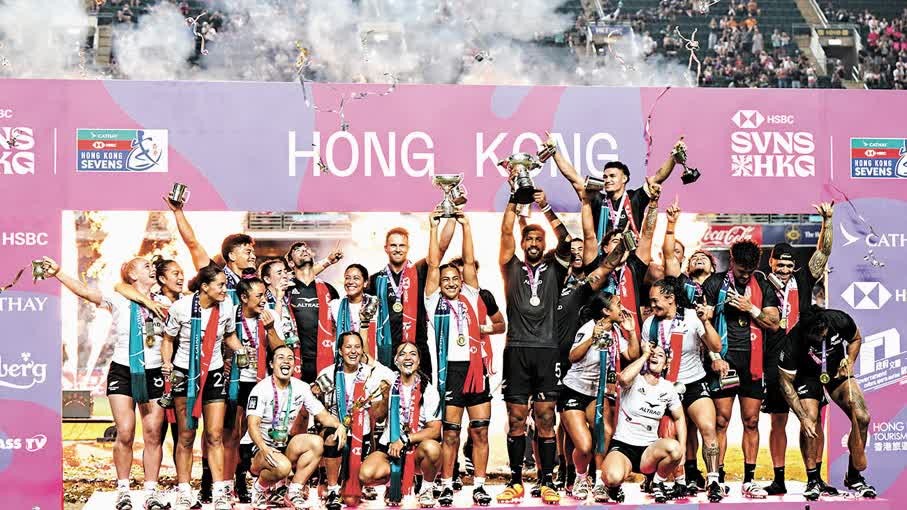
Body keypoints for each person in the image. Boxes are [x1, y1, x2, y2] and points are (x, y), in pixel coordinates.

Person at [42, 256, 169, 510]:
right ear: (132, 275)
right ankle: (123, 490)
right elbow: (86, 292)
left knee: (153, 433)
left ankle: (151, 492)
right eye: (146, 266)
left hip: (154, 371)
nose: (152, 269)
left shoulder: (164, 302)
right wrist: (58, 272)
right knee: (125, 431)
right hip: (123, 370)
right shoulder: (118, 297)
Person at [497, 193, 571, 504]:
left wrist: (546, 208)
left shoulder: (556, 267)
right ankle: (515, 481)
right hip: (516, 349)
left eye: (538, 238)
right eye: (528, 238)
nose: (533, 243)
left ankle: (547, 480)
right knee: (516, 418)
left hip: (547, 351)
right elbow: (505, 231)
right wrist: (514, 201)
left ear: (544, 243)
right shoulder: (511, 266)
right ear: (522, 242)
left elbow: (566, 241)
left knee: (546, 417)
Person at [761, 203, 834, 496]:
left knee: (813, 418)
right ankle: (778, 479)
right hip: (774, 360)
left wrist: (827, 221)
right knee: (778, 421)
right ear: (771, 262)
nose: (785, 270)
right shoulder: (761, 284)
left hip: (806, 359)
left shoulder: (802, 279)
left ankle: (814, 478)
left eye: (789, 266)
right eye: (780, 265)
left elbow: (823, 253)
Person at [161, 264, 248, 510]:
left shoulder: (227, 307)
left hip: (214, 373)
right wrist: (166, 363)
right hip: (186, 374)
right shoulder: (181, 307)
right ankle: (184, 491)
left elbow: (229, 336)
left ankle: (220, 492)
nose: (225, 289)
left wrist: (242, 350)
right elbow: (168, 339)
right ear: (205, 287)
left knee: (215, 434)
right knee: (186, 435)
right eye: (220, 285)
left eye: (225, 285)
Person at [425, 212, 494, 506]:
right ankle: (446, 485)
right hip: (450, 371)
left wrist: (466, 226)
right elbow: (432, 264)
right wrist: (434, 228)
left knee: (479, 431)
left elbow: (468, 261)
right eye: (446, 279)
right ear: (439, 283)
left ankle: (479, 485)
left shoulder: (471, 294)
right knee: (450, 435)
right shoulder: (433, 302)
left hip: (476, 369)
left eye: (455, 278)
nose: (452, 282)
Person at [702, 240, 780, 498]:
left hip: (753, 364)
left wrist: (751, 308)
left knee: (752, 421)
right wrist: (714, 356)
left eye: (749, 271)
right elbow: (703, 324)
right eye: (740, 271)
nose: (745, 276)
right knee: (721, 421)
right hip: (723, 361)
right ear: (731, 261)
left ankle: (749, 480)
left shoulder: (763, 286)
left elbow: (774, 323)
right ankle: (717, 479)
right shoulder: (714, 284)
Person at [778, 307, 877, 500]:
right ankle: (813, 480)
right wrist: (803, 418)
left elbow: (856, 338)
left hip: (836, 372)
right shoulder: (794, 339)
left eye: (822, 334)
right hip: (807, 377)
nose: (820, 339)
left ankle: (854, 477)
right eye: (815, 337)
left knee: (862, 417)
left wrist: (850, 361)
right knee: (810, 419)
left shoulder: (839, 320)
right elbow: (785, 382)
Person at [642, 278, 724, 502]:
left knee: (708, 427)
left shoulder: (692, 317)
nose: (652, 305)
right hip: (665, 387)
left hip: (694, 382)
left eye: (655, 300)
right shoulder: (650, 324)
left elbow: (716, 346)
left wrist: (706, 322)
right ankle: (672, 480)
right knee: (670, 436)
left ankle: (714, 481)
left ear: (671, 298)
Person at [241, 345, 348, 510]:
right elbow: (252, 425)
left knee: (317, 443)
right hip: (256, 447)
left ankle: (293, 492)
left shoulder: (301, 387)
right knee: (283, 467)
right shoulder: (261, 389)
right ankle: (259, 489)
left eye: (290, 358)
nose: (286, 361)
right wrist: (264, 448)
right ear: (271, 364)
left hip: (282, 444)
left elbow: (322, 415)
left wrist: (339, 425)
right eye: (280, 357)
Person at [559, 293, 638, 502]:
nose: (622, 308)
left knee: (605, 433)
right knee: (585, 446)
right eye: (618, 305)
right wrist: (592, 338)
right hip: (574, 391)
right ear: (606, 311)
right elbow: (573, 356)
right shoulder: (589, 327)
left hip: (597, 393)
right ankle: (580, 478)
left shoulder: (616, 332)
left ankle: (600, 483)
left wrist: (631, 332)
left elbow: (632, 355)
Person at [548, 133, 682, 242]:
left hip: (629, 258)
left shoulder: (636, 198)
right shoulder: (597, 199)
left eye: (612, 176)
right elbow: (573, 177)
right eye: (605, 177)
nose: (607, 180)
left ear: (624, 179)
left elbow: (658, 177)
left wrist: (673, 157)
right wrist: (554, 152)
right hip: (602, 259)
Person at [223, 276, 284, 504]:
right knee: (233, 434)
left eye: (265, 295)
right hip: (236, 381)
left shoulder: (270, 315)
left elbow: (280, 351)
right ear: (244, 297)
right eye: (258, 296)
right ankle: (229, 483)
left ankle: (253, 480)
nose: (263, 300)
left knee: (260, 433)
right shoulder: (230, 315)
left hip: (261, 383)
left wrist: (270, 329)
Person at [359, 343, 443, 507]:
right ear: (396, 361)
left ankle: (426, 489)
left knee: (433, 449)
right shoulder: (389, 381)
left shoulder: (428, 390)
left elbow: (434, 430)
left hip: (416, 449)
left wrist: (405, 440)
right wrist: (384, 398)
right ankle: (394, 483)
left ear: (419, 361)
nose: (408, 358)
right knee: (366, 474)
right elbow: (378, 417)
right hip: (389, 448)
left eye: (413, 354)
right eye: (402, 354)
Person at [316, 332, 394, 510]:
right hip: (335, 432)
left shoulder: (370, 375)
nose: (353, 351)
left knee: (351, 500)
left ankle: (354, 484)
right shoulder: (328, 374)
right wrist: (335, 426)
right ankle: (332, 487)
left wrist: (384, 397)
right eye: (348, 347)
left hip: (361, 435)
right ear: (340, 350)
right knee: (331, 438)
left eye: (357, 347)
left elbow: (379, 416)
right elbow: (318, 412)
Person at [601, 342, 686, 504]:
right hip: (623, 446)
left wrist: (683, 449)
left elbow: (679, 418)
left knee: (675, 449)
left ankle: (657, 482)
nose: (655, 356)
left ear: (666, 364)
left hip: (649, 451)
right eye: (652, 354)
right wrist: (645, 354)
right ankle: (614, 488)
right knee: (612, 478)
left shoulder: (668, 388)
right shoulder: (635, 380)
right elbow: (623, 378)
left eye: (660, 355)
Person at [367, 228, 433, 375]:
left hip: (417, 349)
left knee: (420, 390)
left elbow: (439, 249)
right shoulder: (376, 279)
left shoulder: (419, 271)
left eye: (402, 245)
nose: (398, 249)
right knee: (388, 389)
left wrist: (435, 225)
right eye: (393, 245)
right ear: (386, 248)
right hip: (388, 352)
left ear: (408, 248)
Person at [284, 241, 342, 382]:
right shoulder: (285, 289)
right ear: (290, 263)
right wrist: (327, 261)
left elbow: (339, 325)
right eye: (297, 250)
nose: (304, 250)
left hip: (325, 357)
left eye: (306, 248)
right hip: (295, 359)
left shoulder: (329, 290)